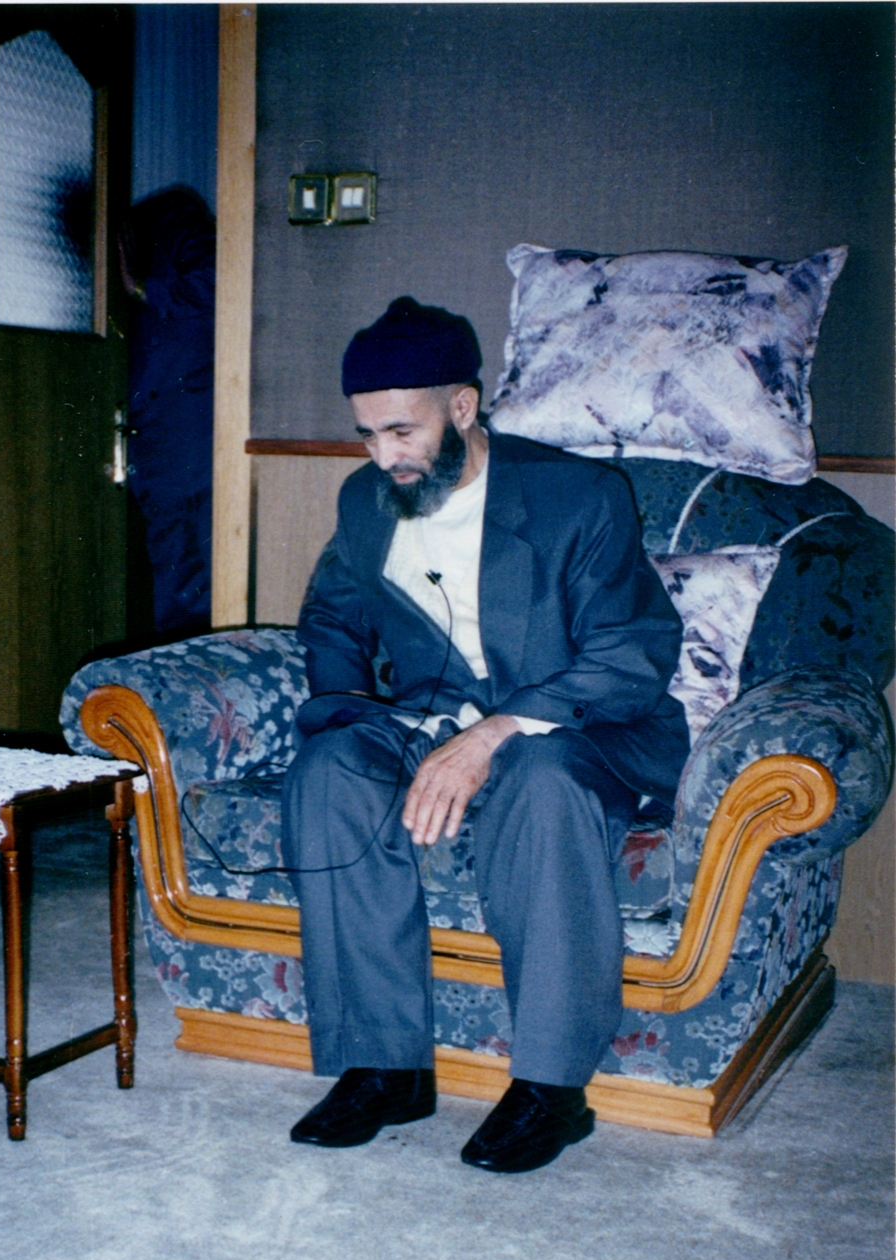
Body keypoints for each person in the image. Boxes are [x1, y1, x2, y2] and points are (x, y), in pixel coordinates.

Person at [281, 297, 689, 1173]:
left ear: (462, 407)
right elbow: (333, 617)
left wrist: (495, 732)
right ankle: (384, 1066)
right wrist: (353, 710)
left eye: (402, 430)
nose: (383, 456)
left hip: (576, 731)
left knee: (541, 780)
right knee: (330, 768)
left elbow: (633, 652)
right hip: (434, 719)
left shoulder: (577, 498)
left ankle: (550, 1088)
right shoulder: (365, 501)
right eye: (366, 434)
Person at [120, 186, 215, 641]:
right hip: (162, 454)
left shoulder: (168, 218)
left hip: (187, 451)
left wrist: (143, 288)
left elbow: (220, 282)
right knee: (177, 598)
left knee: (193, 598)